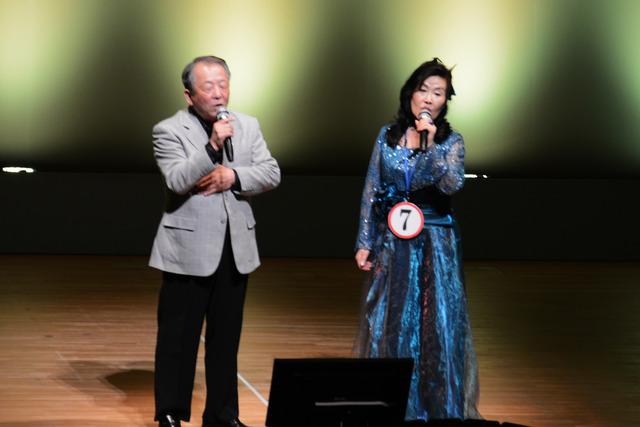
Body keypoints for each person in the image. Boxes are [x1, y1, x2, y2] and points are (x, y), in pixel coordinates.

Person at [149, 55, 280, 427]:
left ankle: (222, 415)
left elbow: (271, 172)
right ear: (190, 94)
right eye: (208, 87)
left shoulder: (248, 125)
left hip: (235, 248)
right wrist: (210, 148)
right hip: (187, 249)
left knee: (225, 340)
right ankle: (170, 413)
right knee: (178, 338)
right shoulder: (168, 130)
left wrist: (233, 178)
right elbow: (177, 180)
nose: (219, 93)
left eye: (223, 84)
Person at [354, 58, 480, 421]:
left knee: (435, 324)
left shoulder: (451, 141)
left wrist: (431, 145)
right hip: (394, 241)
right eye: (423, 90)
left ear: (445, 102)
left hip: (435, 244)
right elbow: (372, 187)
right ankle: (393, 403)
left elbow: (451, 183)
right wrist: (365, 240)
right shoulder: (387, 136)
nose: (428, 99)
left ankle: (436, 406)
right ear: (410, 92)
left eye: (437, 93)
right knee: (391, 321)